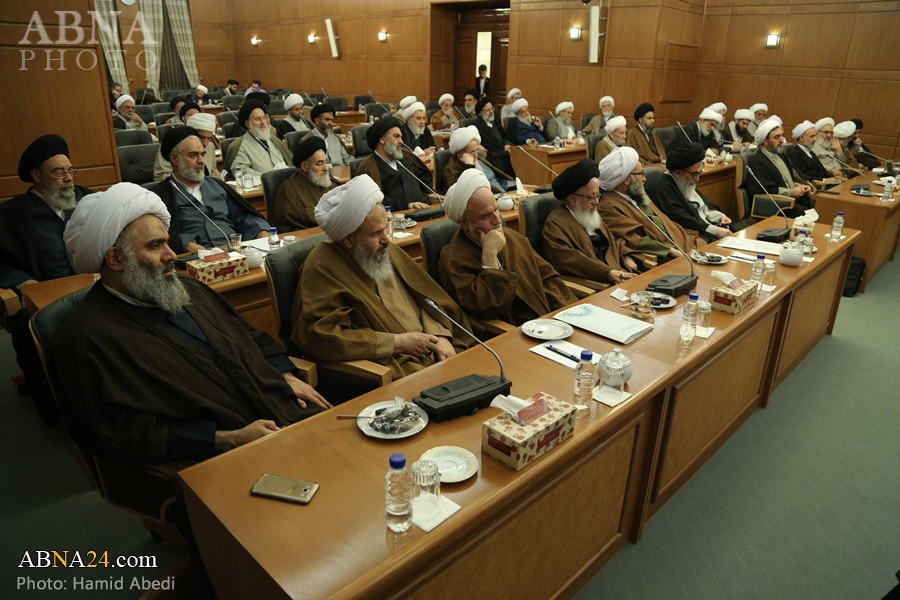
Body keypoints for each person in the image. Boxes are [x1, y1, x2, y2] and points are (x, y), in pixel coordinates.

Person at [52, 183, 328, 463]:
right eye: (155, 246)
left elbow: (250, 336)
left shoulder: (189, 288)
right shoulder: (87, 340)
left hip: (283, 410)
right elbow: (122, 433)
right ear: (115, 258)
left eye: (167, 242)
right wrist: (229, 438)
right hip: (217, 458)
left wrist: (285, 375)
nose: (171, 255)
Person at [293, 175, 472, 381]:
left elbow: (425, 296)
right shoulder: (321, 267)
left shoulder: (384, 249)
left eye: (386, 228)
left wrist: (439, 335)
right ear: (349, 238)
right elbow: (320, 337)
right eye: (376, 233)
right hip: (395, 364)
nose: (387, 239)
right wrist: (398, 342)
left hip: (435, 349)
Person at [1, 135, 92, 424]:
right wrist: (22, 282)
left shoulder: (88, 200)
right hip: (46, 301)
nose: (69, 179)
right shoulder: (12, 214)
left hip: (97, 288)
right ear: (36, 176)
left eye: (70, 170)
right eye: (58, 172)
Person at [439, 169, 576, 325]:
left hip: (547, 322)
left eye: (496, 209)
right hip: (512, 332)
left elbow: (547, 278)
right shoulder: (453, 260)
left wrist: (569, 314)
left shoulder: (510, 236)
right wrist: (489, 258)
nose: (498, 220)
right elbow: (487, 310)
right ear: (464, 222)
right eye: (486, 215)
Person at [149, 126, 271, 253]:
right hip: (195, 256)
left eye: (202, 154)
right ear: (174, 159)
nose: (201, 161)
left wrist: (261, 231)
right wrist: (186, 245)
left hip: (234, 250)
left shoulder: (216, 185)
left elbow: (243, 216)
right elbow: (159, 232)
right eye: (193, 155)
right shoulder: (161, 195)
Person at [542, 158, 644, 289]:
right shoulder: (555, 225)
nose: (597, 202)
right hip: (597, 285)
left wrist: (626, 256)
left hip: (619, 277)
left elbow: (612, 243)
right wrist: (608, 273)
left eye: (598, 195)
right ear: (572, 199)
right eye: (591, 197)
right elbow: (572, 262)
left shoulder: (590, 215)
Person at [597, 146, 702, 262]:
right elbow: (633, 239)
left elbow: (664, 222)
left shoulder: (636, 194)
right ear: (627, 179)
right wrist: (669, 250)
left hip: (679, 240)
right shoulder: (608, 206)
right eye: (641, 174)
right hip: (664, 255)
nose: (645, 179)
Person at [646, 142, 733, 243]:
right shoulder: (660, 188)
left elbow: (703, 204)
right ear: (678, 172)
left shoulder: (685, 180)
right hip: (694, 237)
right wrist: (715, 230)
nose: (697, 179)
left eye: (699, 172)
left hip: (711, 228)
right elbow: (682, 219)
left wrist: (720, 216)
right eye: (694, 174)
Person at [357, 117, 433, 211]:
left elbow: (424, 175)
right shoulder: (368, 167)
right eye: (396, 136)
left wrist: (429, 194)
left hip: (425, 209)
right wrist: (407, 205)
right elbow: (373, 200)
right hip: (395, 215)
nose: (401, 141)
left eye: (401, 137)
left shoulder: (406, 155)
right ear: (382, 139)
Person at [745, 117, 815, 217]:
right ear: (765, 141)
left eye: (782, 135)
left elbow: (788, 181)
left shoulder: (782, 156)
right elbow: (766, 189)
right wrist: (791, 192)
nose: (782, 140)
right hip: (777, 206)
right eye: (776, 137)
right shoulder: (757, 160)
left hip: (791, 200)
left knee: (821, 205)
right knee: (812, 214)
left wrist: (801, 187)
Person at [271, 137, 335, 231]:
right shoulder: (288, 191)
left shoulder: (333, 184)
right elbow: (288, 228)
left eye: (326, 162)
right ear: (305, 166)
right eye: (319, 164)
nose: (326, 168)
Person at [226, 99, 292, 176]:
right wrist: (267, 178)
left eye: (264, 118)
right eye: (257, 119)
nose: (263, 122)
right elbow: (240, 170)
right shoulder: (241, 145)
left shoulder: (274, 140)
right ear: (247, 124)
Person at [443, 125, 515, 193]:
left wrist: (514, 187)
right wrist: (469, 166)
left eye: (477, 150)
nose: (476, 155)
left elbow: (497, 178)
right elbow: (462, 194)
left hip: (506, 192)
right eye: (472, 152)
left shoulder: (479, 160)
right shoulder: (452, 170)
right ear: (460, 153)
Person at [154, 112, 219, 182]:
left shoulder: (210, 146)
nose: (205, 143)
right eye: (201, 137)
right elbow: (161, 177)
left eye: (208, 138)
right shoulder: (171, 146)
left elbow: (213, 173)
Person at [473, 98, 516, 178]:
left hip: (502, 152)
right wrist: (478, 145)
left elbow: (505, 137)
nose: (491, 112)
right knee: (503, 161)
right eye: (488, 110)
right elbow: (472, 141)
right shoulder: (476, 125)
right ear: (481, 113)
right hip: (490, 155)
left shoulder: (495, 122)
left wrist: (506, 144)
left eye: (492, 109)